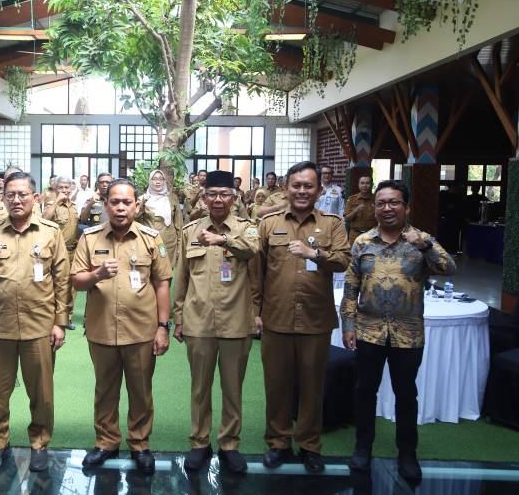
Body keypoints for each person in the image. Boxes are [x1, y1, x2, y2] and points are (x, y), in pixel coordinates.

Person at [341, 180, 455, 483]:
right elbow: (351, 287)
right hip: (368, 331)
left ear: (407, 207)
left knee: (406, 394)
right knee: (365, 391)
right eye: (381, 203)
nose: (387, 208)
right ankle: (362, 447)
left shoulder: (422, 240)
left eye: (394, 202)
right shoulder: (363, 241)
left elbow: (449, 268)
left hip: (408, 333)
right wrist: (348, 325)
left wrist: (425, 246)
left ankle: (407, 453)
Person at [0, 172, 71, 473]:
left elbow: (63, 280)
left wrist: (60, 322)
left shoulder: (50, 232)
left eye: (22, 194)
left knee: (41, 392)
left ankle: (39, 443)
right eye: (10, 195)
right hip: (0, 326)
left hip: (40, 325)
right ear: (3, 198)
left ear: (35, 197)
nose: (16, 200)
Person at [252, 161, 350, 474]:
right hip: (276, 317)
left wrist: (315, 254)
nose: (302, 191)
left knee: (312, 386)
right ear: (286, 188)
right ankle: (278, 442)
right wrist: (255, 312)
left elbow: (344, 260)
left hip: (315, 319)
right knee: (276, 385)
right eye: (296, 185)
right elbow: (257, 272)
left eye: (309, 185)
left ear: (319, 190)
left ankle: (309, 445)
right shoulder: (269, 224)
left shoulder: (332, 224)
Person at [71, 179, 172, 474]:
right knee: (105, 390)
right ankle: (106, 442)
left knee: (141, 390)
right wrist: (97, 274)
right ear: (105, 205)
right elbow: (76, 280)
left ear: (136, 206)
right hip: (102, 329)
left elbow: (162, 284)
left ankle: (140, 443)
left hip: (141, 331)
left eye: (127, 202)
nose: (120, 207)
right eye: (114, 202)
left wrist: (163, 326)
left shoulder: (151, 238)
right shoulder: (90, 238)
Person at [172, 170, 260, 473]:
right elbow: (181, 278)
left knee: (233, 388)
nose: (218, 200)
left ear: (233, 198)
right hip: (198, 321)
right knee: (200, 387)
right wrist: (178, 318)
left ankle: (229, 444)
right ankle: (200, 442)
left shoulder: (247, 229)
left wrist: (222, 239)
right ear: (203, 197)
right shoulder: (191, 230)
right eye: (211, 194)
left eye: (224, 194)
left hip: (236, 320)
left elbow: (253, 250)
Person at [42, 176, 80, 330]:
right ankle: (53, 316)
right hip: (57, 253)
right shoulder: (52, 204)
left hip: (73, 251)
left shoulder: (74, 206)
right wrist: (56, 201)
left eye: (67, 187)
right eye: (61, 187)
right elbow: (44, 220)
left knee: (72, 286)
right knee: (57, 285)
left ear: (71, 189)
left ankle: (68, 317)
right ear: (56, 189)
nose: (64, 190)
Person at [137, 169, 183, 265]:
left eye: (161, 179)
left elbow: (179, 224)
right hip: (149, 241)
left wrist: (180, 245)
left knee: (168, 270)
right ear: (150, 181)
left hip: (169, 243)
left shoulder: (172, 198)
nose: (158, 182)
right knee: (150, 269)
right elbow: (134, 218)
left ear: (164, 181)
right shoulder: (143, 199)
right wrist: (142, 204)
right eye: (154, 179)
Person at [344, 175, 377, 243]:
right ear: (358, 185)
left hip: (371, 235)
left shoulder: (376, 199)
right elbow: (346, 219)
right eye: (362, 183)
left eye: (367, 183)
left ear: (372, 184)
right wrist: (356, 211)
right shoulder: (352, 199)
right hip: (355, 235)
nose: (365, 185)